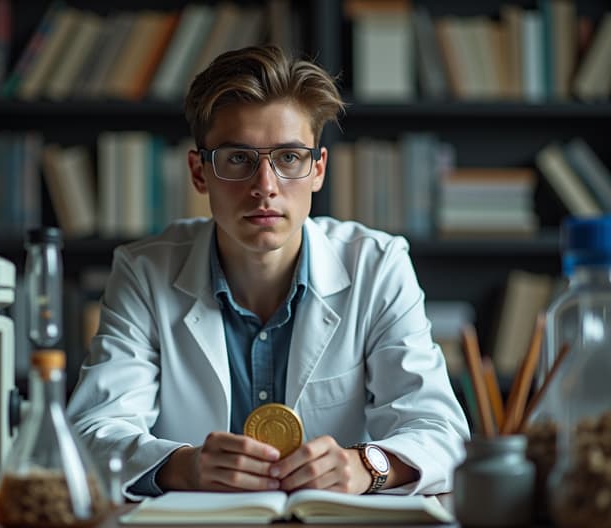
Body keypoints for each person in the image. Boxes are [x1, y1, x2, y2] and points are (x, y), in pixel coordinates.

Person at [67, 44, 469, 500]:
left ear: (318, 169)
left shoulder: (377, 264)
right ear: (200, 173)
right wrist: (184, 466)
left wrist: (364, 466)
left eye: (289, 158)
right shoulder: (144, 270)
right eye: (238, 158)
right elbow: (90, 433)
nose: (265, 187)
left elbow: (443, 433)